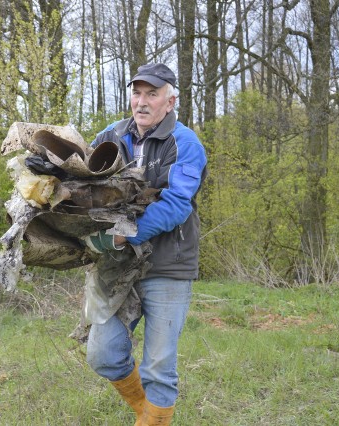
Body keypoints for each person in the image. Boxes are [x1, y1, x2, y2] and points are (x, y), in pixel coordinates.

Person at [84, 63, 208, 425]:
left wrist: (122, 233)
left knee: (159, 366)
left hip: (167, 264)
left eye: (152, 94)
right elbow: (83, 174)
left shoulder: (184, 143)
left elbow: (175, 205)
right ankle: (149, 414)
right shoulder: (111, 135)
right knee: (103, 354)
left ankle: (154, 418)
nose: (142, 101)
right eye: (137, 93)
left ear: (170, 101)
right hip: (118, 264)